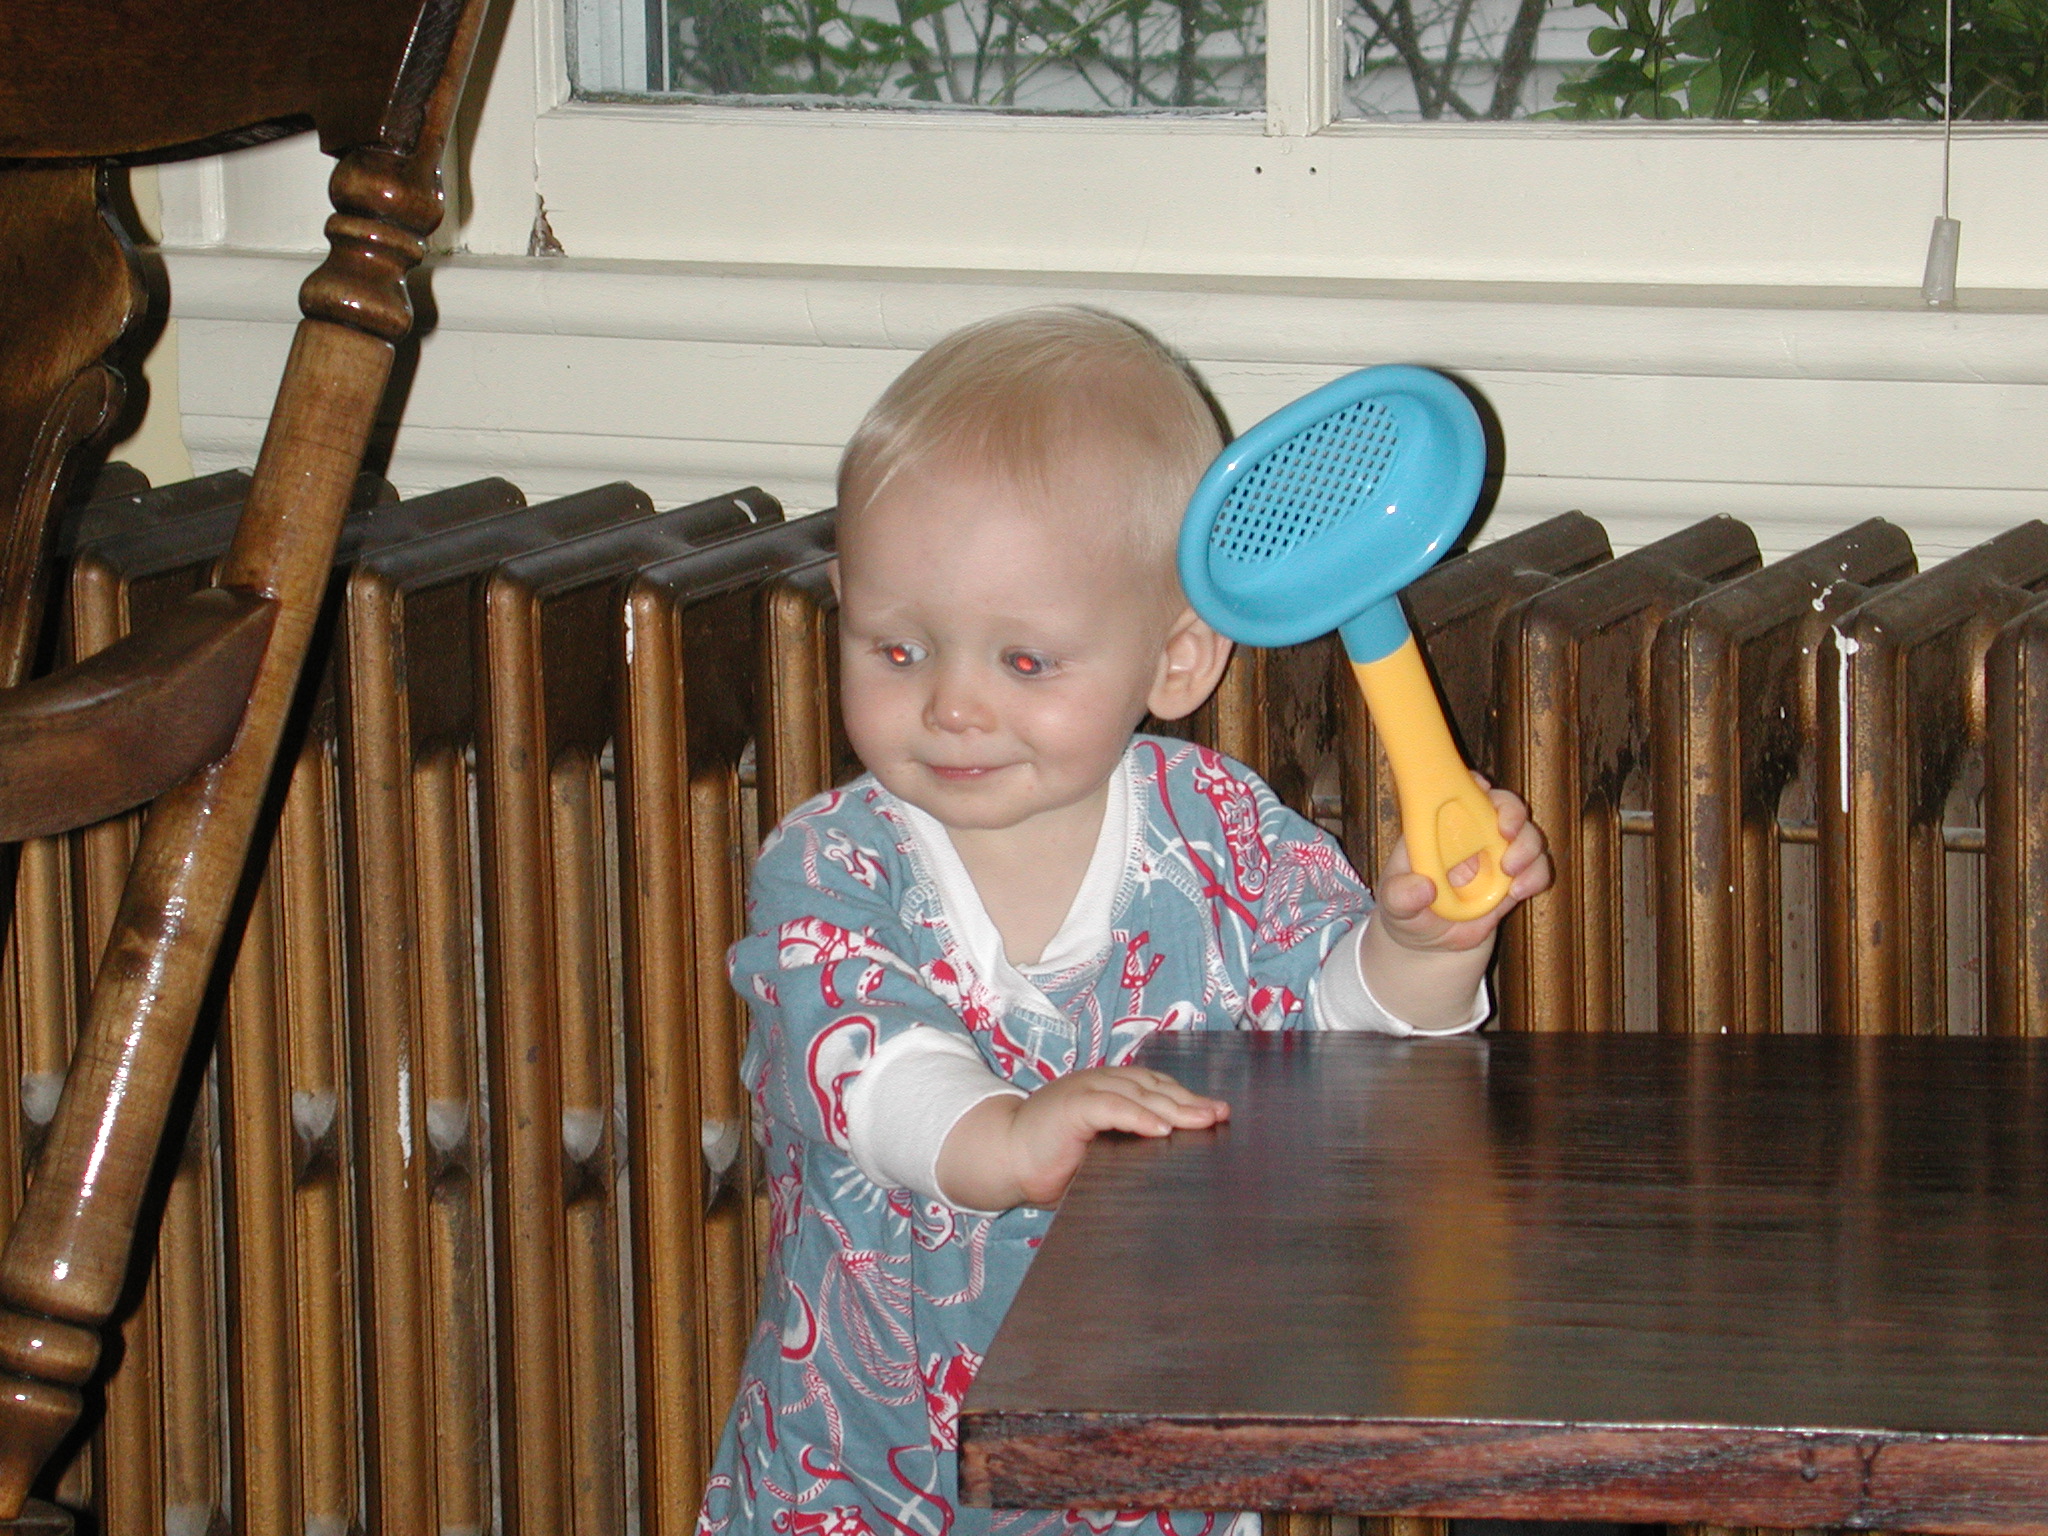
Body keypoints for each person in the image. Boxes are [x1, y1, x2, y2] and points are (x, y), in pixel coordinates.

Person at [695, 307, 1551, 1536]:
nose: (951, 707)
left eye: (1023, 662)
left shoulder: (1221, 831)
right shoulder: (829, 866)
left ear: (1177, 662)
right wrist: (1009, 1134)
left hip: (1159, 1483)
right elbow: (873, 1078)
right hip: (864, 1486)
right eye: (897, 649)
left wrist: (1419, 950)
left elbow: (1343, 1034)